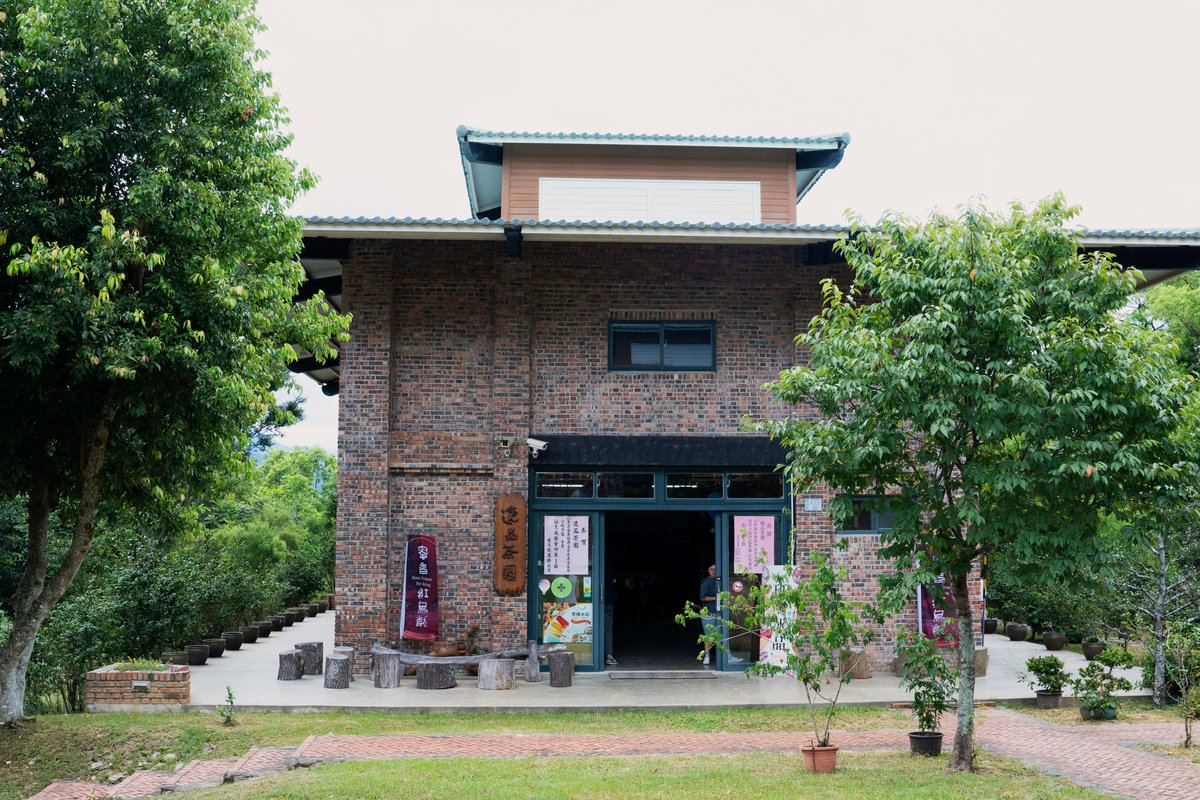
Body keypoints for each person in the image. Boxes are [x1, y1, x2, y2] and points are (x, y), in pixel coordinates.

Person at [699, 564, 719, 665]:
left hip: (719, 613)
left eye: (715, 569)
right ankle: (707, 657)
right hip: (708, 613)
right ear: (708, 570)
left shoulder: (720, 581)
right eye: (711, 569)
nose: (714, 571)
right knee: (708, 636)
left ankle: (727, 657)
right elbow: (702, 597)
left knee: (723, 634)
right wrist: (716, 598)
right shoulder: (706, 582)